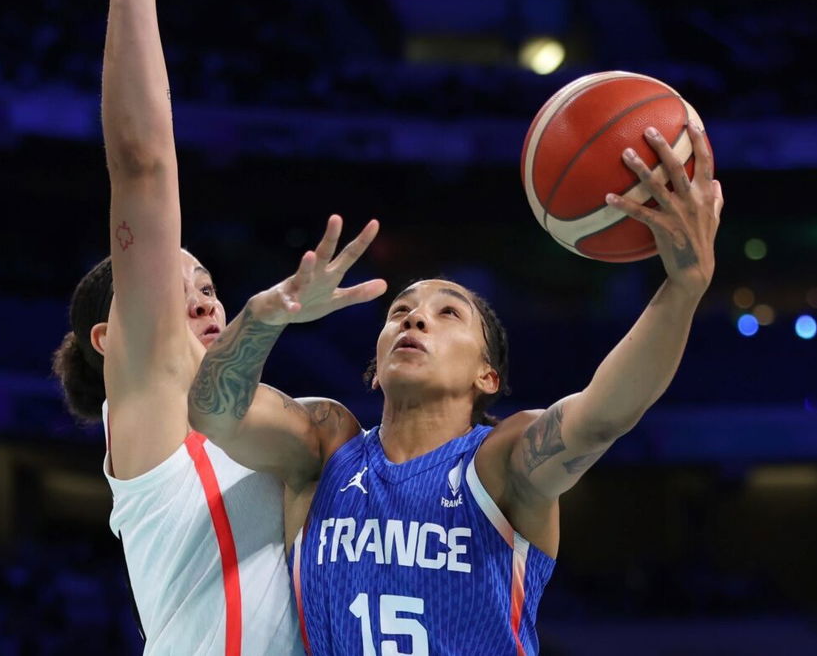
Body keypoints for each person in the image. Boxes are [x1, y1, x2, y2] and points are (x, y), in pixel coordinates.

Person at [186, 125, 723, 654]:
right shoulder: (327, 446)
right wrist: (264, 315)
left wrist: (683, 288)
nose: (415, 320)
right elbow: (213, 414)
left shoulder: (501, 462)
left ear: (486, 376)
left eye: (448, 314)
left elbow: (603, 415)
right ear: (375, 366)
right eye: (400, 312)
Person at [50, 0, 382, 652]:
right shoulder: (147, 402)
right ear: (113, 341)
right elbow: (142, 166)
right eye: (174, 292)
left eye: (207, 284)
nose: (203, 299)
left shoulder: (290, 421)